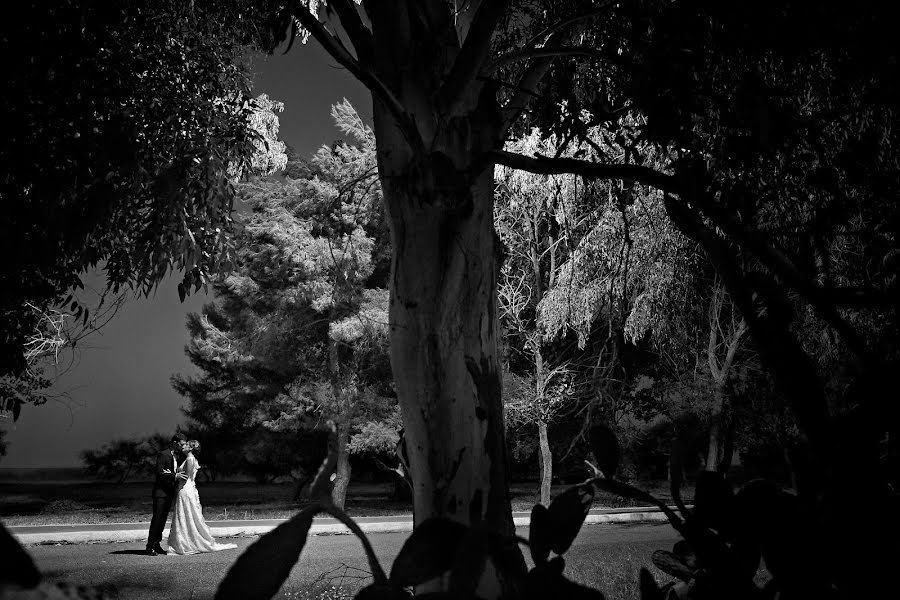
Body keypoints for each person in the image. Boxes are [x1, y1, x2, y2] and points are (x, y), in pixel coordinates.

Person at [167, 439, 237, 555]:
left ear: (191, 448)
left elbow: (186, 477)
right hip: (185, 489)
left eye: (186, 445)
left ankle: (188, 543)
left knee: (187, 514)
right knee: (186, 515)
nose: (183, 446)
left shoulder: (190, 459)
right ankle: (186, 541)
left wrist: (173, 475)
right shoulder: (189, 459)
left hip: (185, 489)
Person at [146, 433, 188, 556]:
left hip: (169, 493)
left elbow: (176, 471)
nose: (183, 446)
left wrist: (170, 473)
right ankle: (149, 547)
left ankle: (156, 544)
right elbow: (159, 473)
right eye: (181, 444)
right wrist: (174, 475)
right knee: (157, 519)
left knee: (163, 520)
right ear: (175, 443)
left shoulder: (179, 456)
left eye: (184, 444)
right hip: (160, 493)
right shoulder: (163, 454)